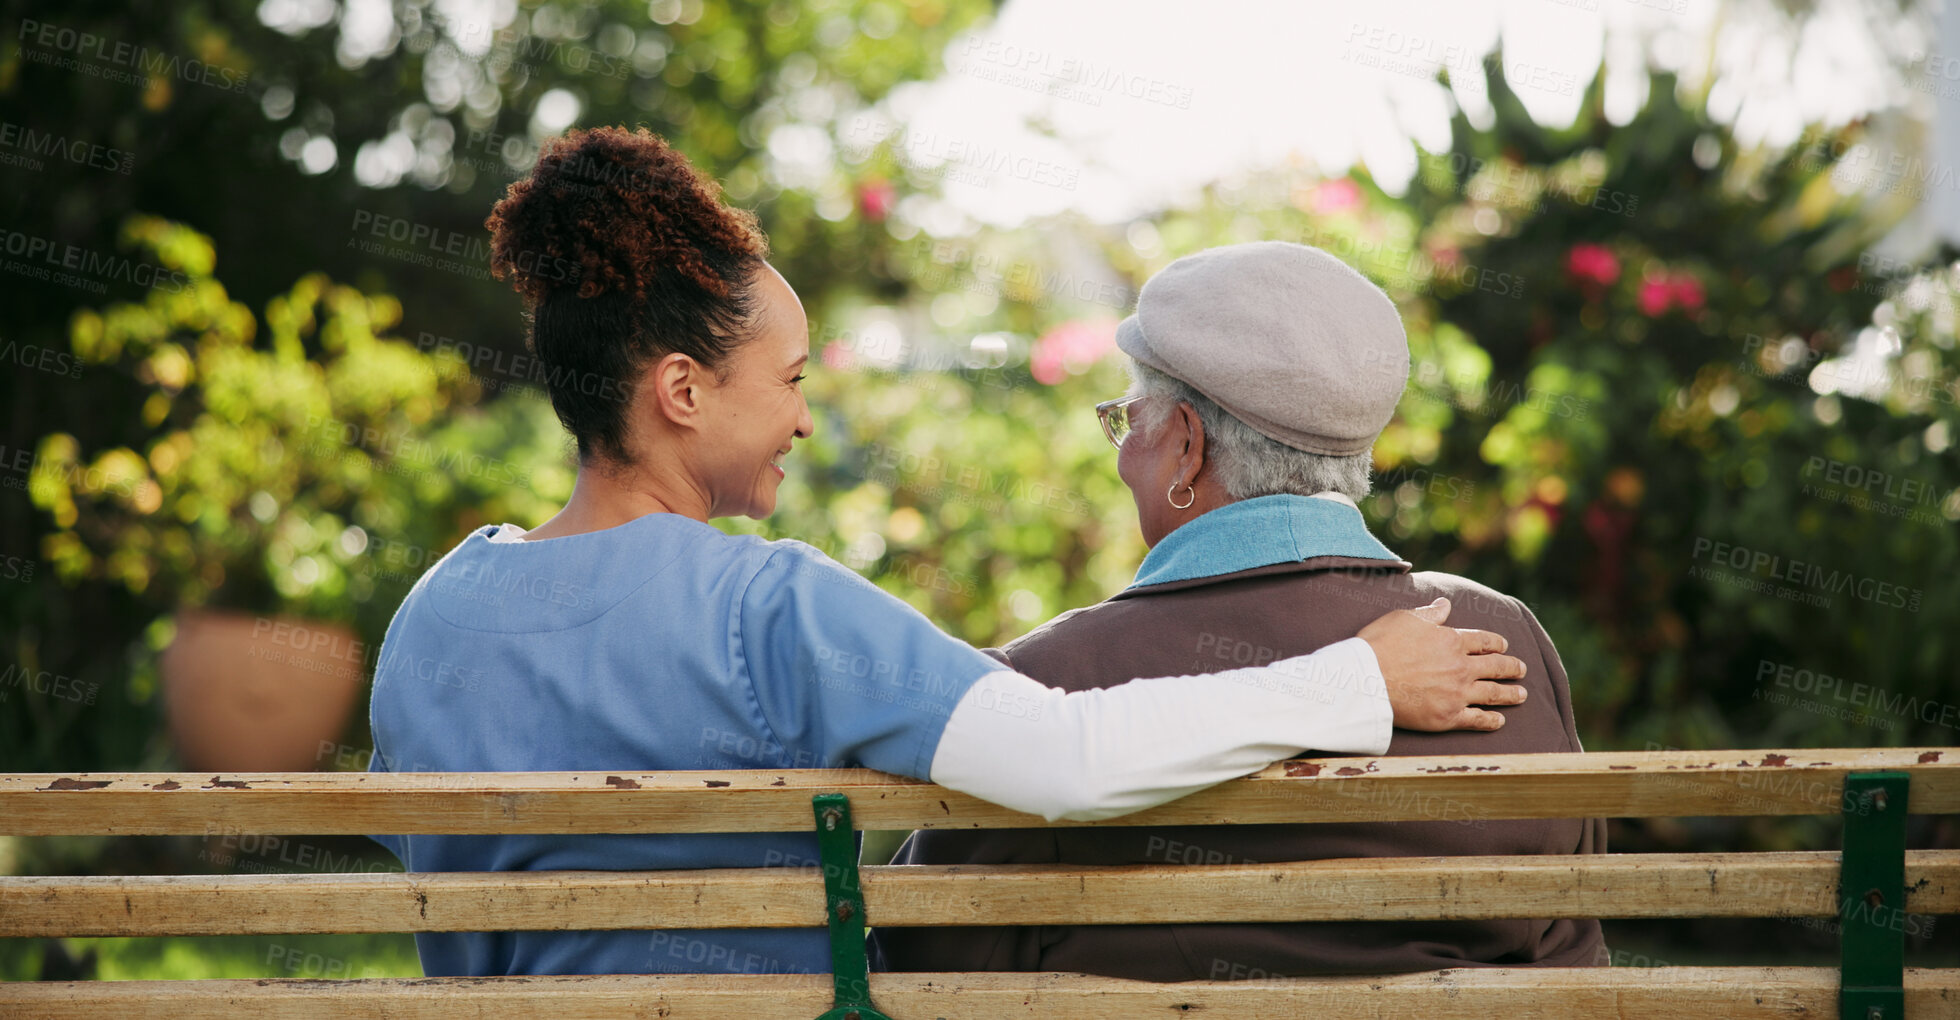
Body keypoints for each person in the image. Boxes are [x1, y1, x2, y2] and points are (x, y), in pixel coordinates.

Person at [364, 128, 1531, 979]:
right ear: (681, 391)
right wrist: (1356, 681)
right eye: (789, 382)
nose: (807, 419)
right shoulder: (769, 606)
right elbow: (1070, 760)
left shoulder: (436, 612)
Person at [875, 241, 1607, 979]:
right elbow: (1568, 946)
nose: (1125, 456)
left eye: (1130, 424)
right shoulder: (1500, 637)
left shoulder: (1048, 682)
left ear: (1189, 448)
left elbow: (931, 956)